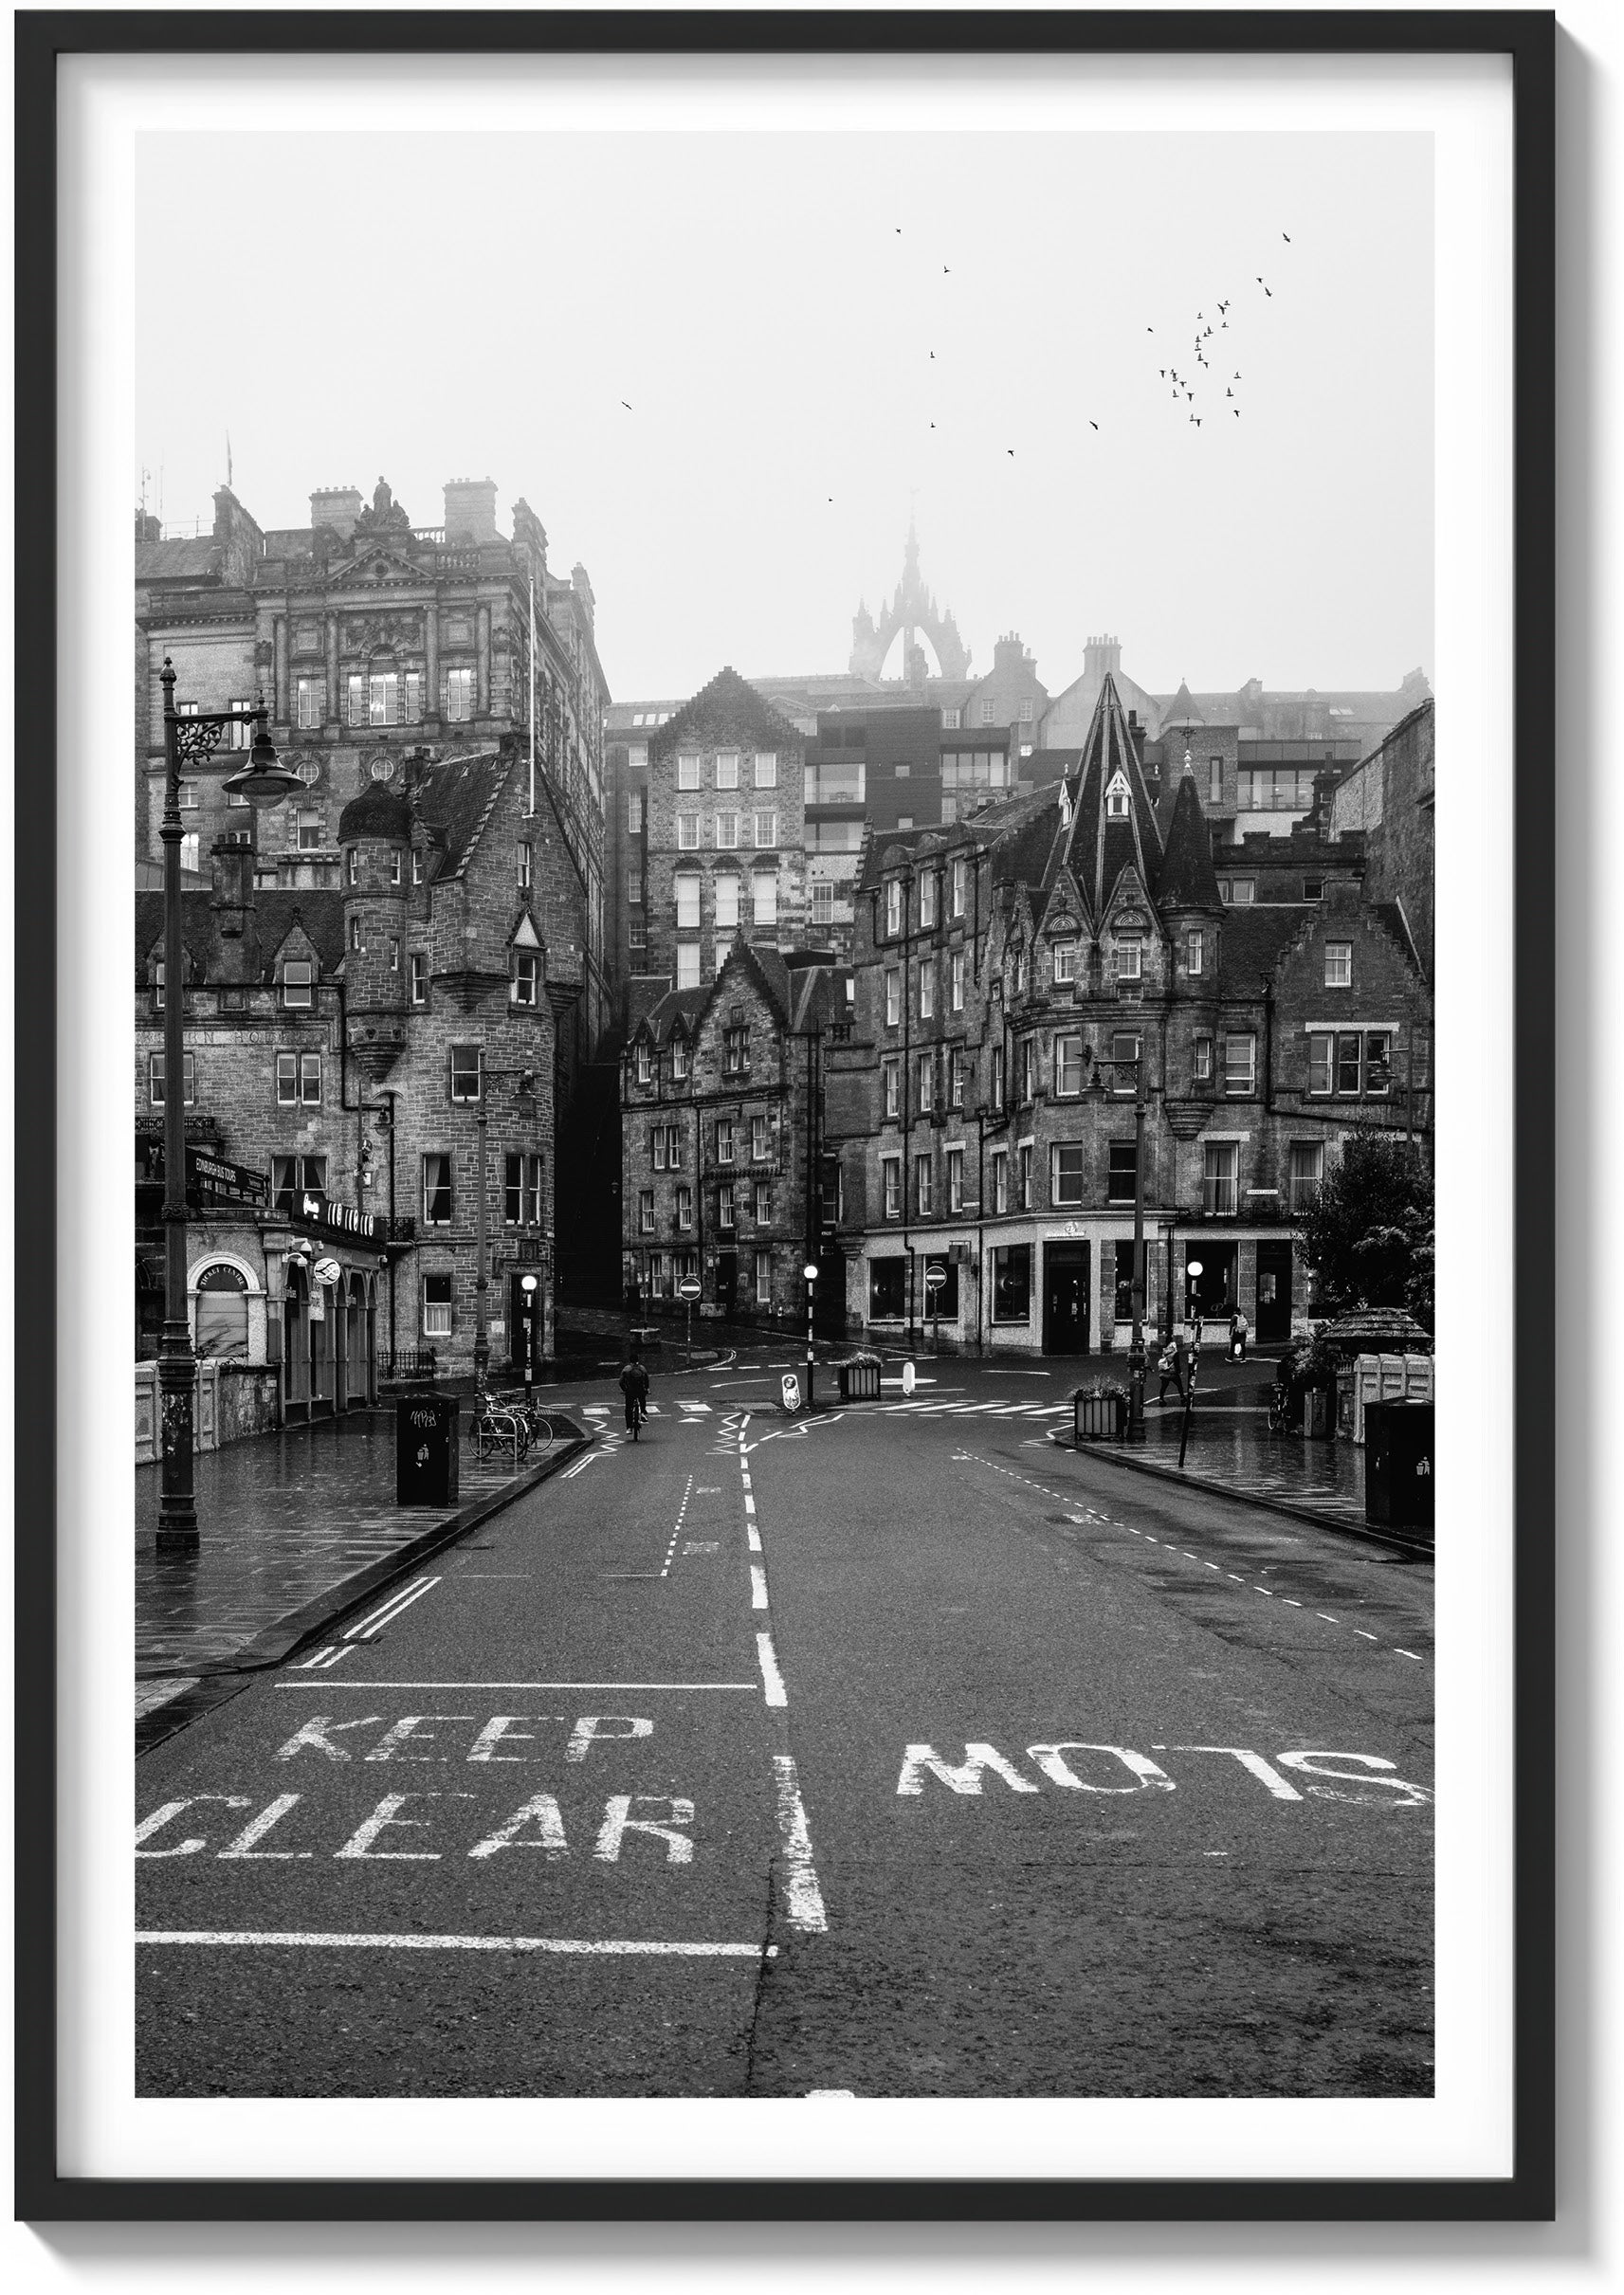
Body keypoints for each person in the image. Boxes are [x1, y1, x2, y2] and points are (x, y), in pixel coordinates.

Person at [618, 1344, 650, 1438]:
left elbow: (620, 1382)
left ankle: (628, 1428)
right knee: (642, 1399)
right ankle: (643, 1413)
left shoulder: (626, 1369)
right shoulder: (642, 1368)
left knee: (628, 1409)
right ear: (638, 1360)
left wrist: (625, 1390)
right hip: (640, 1390)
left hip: (630, 1392)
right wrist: (647, 1389)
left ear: (630, 1361)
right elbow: (646, 1379)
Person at [1157, 1338, 1183, 1405]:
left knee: (1163, 1386)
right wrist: (1180, 1371)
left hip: (1165, 1372)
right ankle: (1182, 1398)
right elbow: (1177, 1363)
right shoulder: (1175, 1353)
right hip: (1173, 1372)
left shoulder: (1165, 1352)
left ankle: (1161, 1399)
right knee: (1179, 1385)